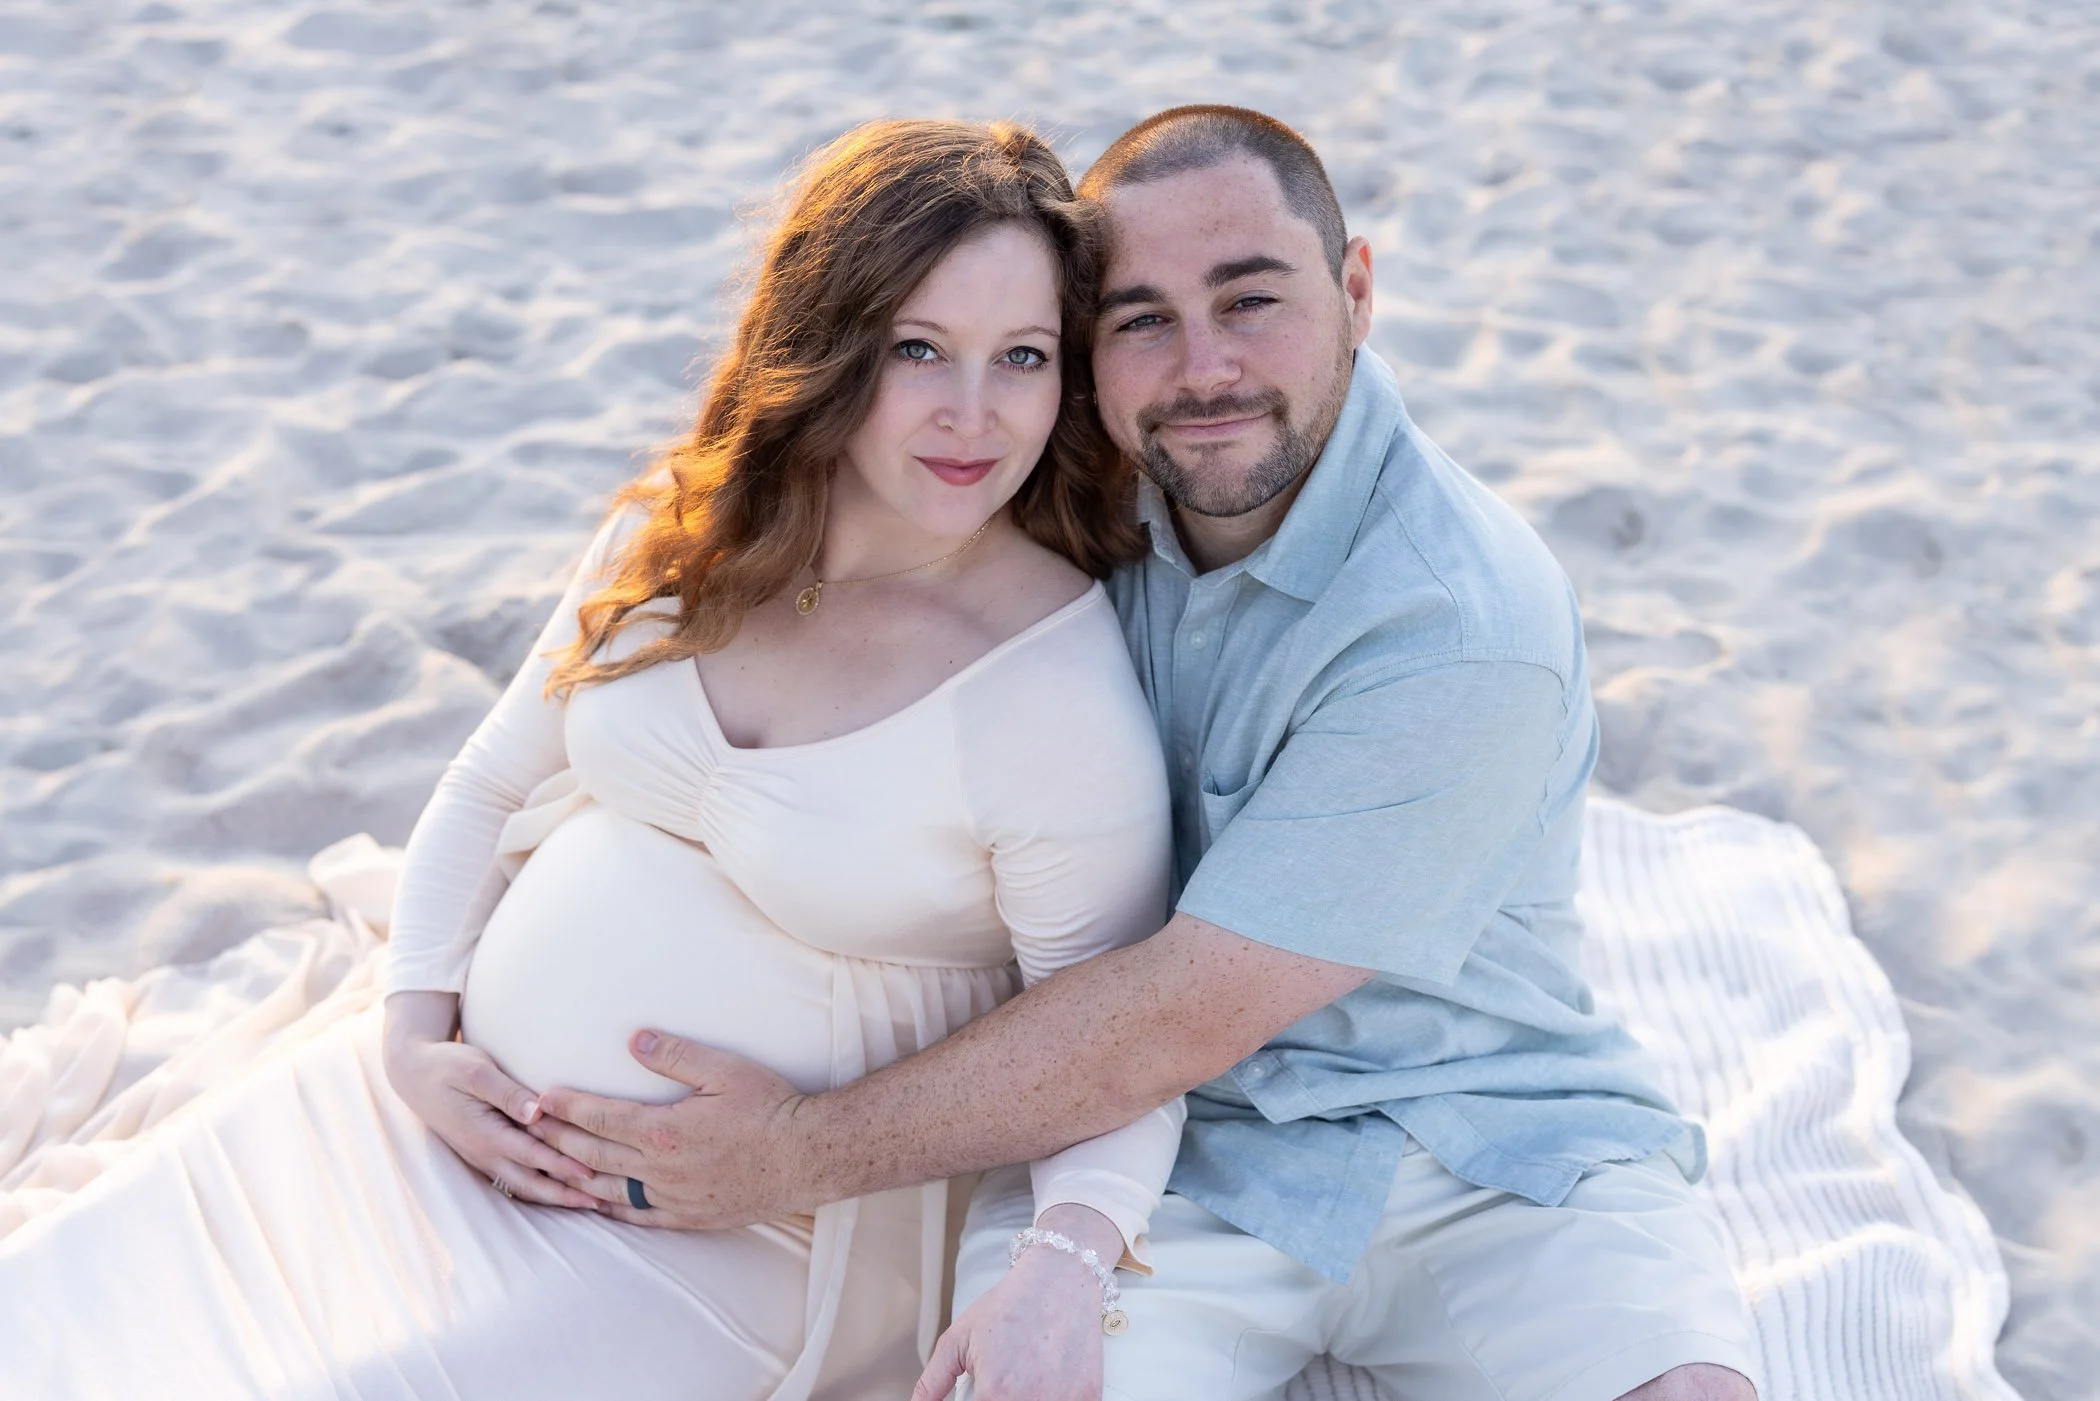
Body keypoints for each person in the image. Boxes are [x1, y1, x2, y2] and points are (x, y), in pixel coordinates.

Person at [524, 107, 1764, 1401]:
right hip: (1168, 1166)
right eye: (1140, 319)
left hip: (1485, 1142)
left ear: (1356, 291)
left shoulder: (1462, 625)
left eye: (1250, 300)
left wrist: (791, 1152)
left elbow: (1174, 1011)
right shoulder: (1064, 490)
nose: (1203, 367)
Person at [0, 120, 1185, 1401]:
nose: (974, 413)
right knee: (56, 1312)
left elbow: (1115, 1053)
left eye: (1022, 357)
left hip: (725, 1241)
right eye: (919, 349)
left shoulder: (1049, 692)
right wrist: (412, 1043)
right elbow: (487, 782)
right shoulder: (681, 540)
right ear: (829, 347)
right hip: (424, 1120)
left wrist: (1065, 1264)